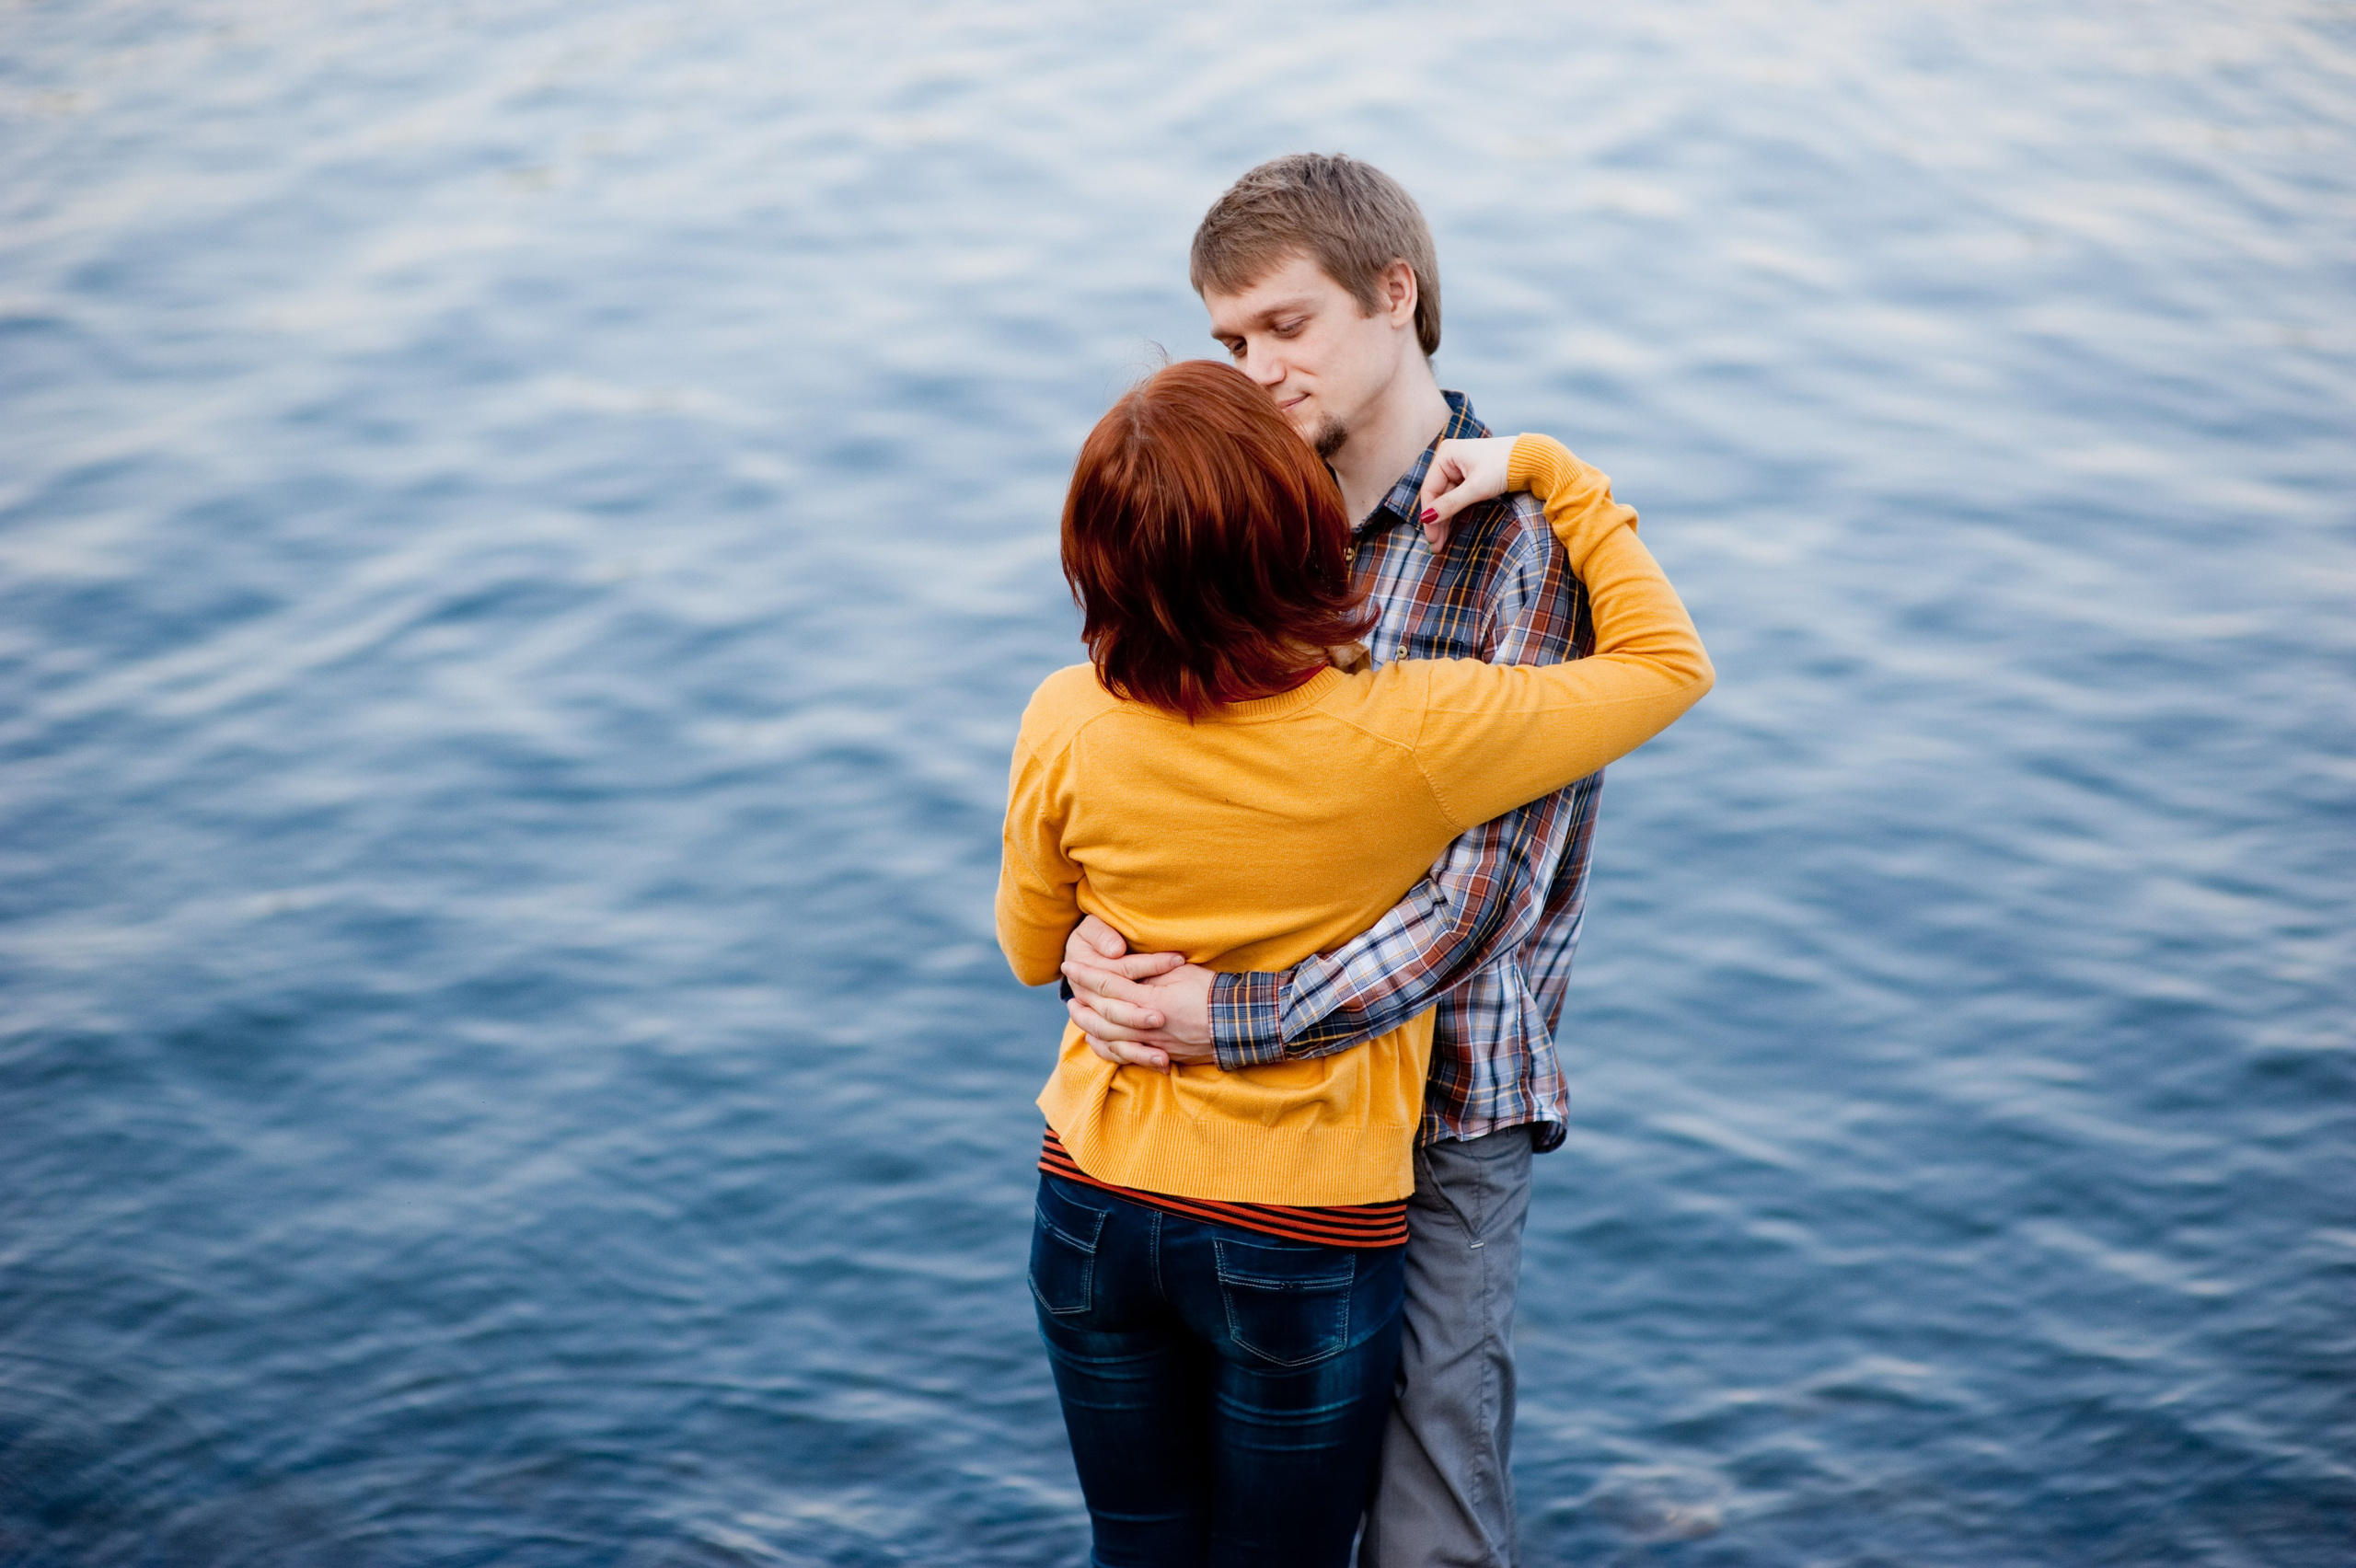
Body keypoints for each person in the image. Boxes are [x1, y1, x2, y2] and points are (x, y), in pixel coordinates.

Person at [999, 356, 1710, 1566]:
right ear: (1300, 531)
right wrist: (1554, 471)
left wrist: (1093, 938)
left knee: (1139, 1552)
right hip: (1301, 1233)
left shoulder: (1065, 715)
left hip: (1093, 1208)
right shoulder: (1415, 731)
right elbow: (1665, 665)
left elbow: (1029, 947)